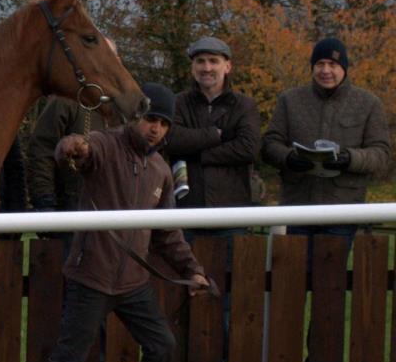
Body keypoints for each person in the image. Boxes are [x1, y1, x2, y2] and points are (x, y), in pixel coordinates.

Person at [11, 83, 210, 362]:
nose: (155, 128)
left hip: (133, 283)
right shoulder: (105, 144)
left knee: (161, 344)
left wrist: (193, 270)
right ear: (135, 117)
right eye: (150, 119)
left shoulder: (160, 170)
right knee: (68, 360)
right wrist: (71, 146)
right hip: (92, 276)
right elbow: (76, 151)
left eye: (163, 123)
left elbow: (168, 233)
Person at [261, 37, 391, 243]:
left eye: (333, 64)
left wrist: (350, 159)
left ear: (344, 68)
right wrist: (289, 158)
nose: (325, 70)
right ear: (312, 67)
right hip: (296, 206)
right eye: (320, 64)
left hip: (343, 209)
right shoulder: (289, 100)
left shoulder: (369, 103)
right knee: (292, 264)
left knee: (331, 265)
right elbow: (270, 144)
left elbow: (381, 154)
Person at [166, 36, 260, 213]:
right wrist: (215, 135)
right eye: (200, 61)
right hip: (187, 207)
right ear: (193, 67)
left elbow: (248, 148)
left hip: (233, 207)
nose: (207, 68)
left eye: (213, 61)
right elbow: (171, 139)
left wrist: (198, 155)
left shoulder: (244, 105)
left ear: (227, 66)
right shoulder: (178, 102)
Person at [26, 96, 107, 247]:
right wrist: (45, 202)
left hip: (111, 214)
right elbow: (42, 151)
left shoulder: (122, 104)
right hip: (69, 212)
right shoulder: (66, 101)